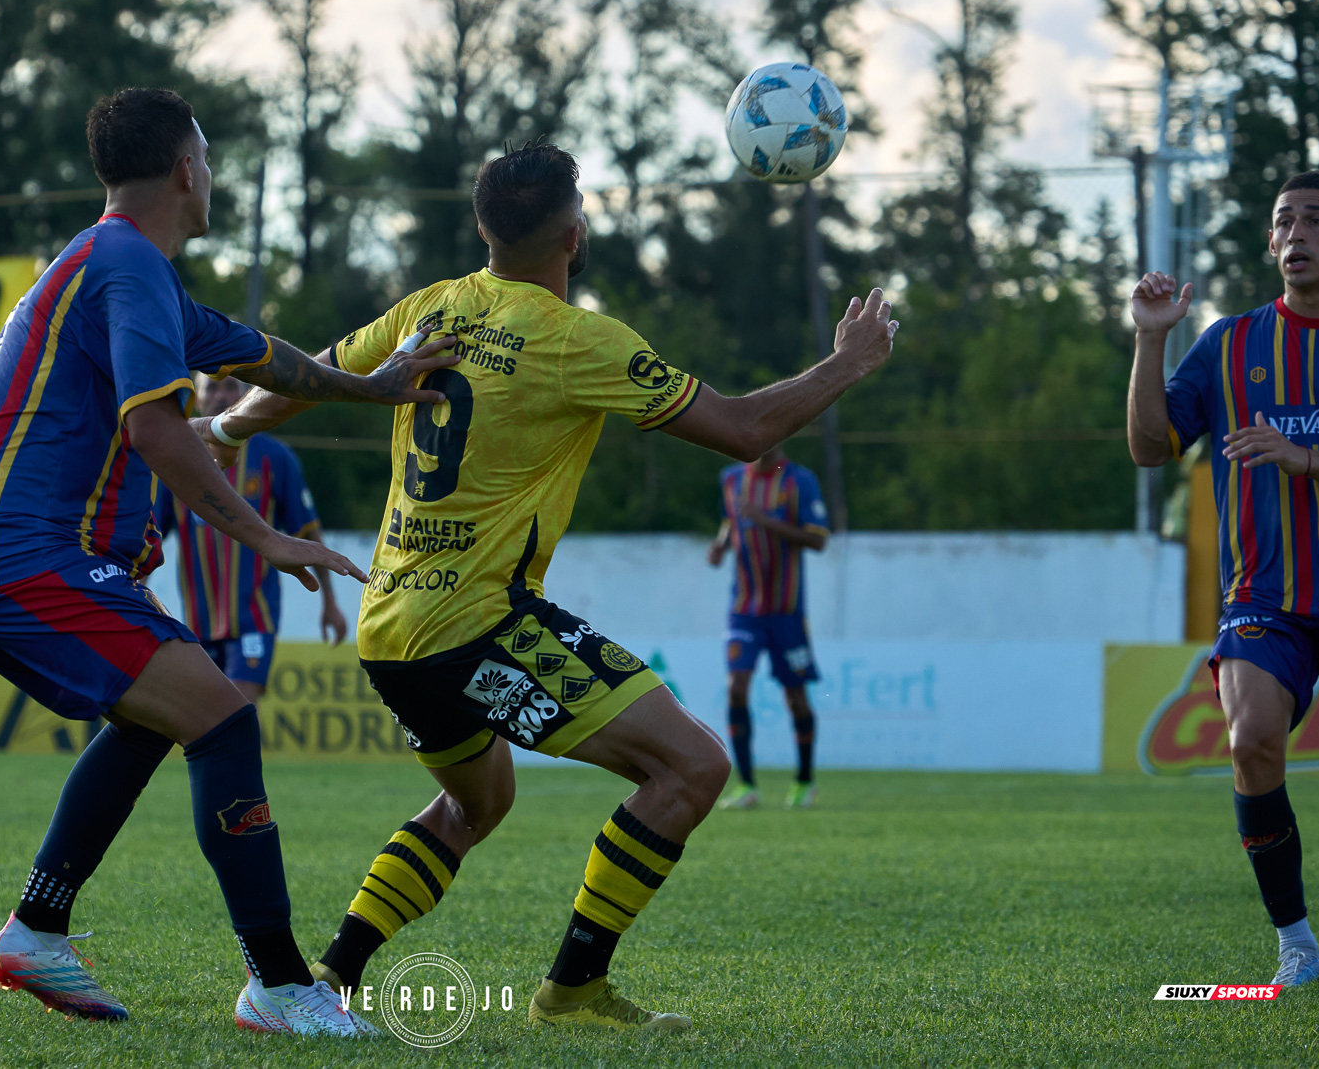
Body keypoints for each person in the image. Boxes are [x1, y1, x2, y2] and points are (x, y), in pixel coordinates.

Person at [200, 142, 896, 1032]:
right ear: (574, 234)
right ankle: (571, 991)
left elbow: (309, 375)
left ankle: (326, 976)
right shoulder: (580, 341)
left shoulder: (431, 305)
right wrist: (849, 361)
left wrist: (226, 427)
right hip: (476, 623)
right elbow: (744, 428)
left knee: (478, 802)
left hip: (391, 624)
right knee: (692, 766)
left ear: (483, 227)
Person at [0, 87, 455, 1034]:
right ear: (185, 170)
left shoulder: (123, 267)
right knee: (223, 718)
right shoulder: (127, 264)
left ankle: (37, 927)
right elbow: (157, 430)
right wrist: (264, 536)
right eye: (209, 158)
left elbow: (268, 360)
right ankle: (279, 984)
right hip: (14, 552)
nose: (212, 175)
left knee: (158, 716)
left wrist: (376, 386)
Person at [1128, 170, 1319, 989]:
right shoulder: (1230, 344)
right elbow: (1150, 447)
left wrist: (1304, 457)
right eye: (1286, 220)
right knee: (1250, 742)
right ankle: (1298, 944)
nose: (1299, 232)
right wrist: (1150, 340)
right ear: (1271, 240)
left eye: (1316, 218)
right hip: (1265, 600)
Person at [155, 375, 348, 704]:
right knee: (208, 721)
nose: (221, 395)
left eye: (231, 386)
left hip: (254, 618)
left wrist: (329, 601)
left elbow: (306, 531)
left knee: (237, 707)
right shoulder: (175, 461)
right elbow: (149, 537)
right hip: (197, 623)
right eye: (212, 387)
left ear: (247, 395)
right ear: (197, 399)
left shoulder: (275, 457)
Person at [707, 445, 830, 810]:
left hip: (786, 611)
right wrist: (720, 546)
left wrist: (766, 521)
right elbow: (731, 520)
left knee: (796, 697)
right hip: (744, 610)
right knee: (736, 688)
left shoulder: (799, 481)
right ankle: (746, 785)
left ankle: (804, 781)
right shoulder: (731, 478)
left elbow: (818, 539)